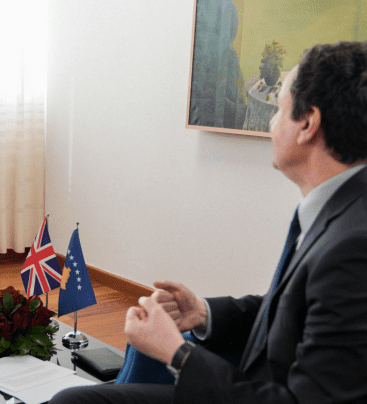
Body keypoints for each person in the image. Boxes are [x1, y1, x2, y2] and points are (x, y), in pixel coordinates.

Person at [50, 41, 367, 403]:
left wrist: (178, 353)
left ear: (308, 123)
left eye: (279, 108)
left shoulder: (353, 247)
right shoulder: (343, 211)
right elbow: (290, 308)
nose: (272, 122)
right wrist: (203, 312)